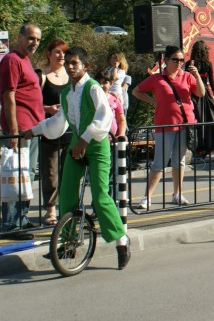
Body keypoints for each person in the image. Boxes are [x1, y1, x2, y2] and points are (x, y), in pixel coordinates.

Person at [24, 47, 130, 269]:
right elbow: (58, 123)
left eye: (75, 63)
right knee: (67, 193)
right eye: (68, 63)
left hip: (96, 145)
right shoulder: (66, 94)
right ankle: (68, 242)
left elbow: (104, 116)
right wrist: (35, 130)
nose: (70, 67)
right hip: (77, 144)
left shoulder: (93, 88)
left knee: (100, 197)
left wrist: (85, 139)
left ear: (85, 66)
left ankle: (121, 242)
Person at [131, 45, 206, 209]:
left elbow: (201, 93)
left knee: (179, 161)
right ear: (166, 60)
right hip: (165, 125)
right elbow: (136, 91)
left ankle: (177, 194)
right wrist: (152, 101)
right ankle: (147, 197)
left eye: (181, 60)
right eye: (175, 60)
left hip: (185, 125)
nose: (179, 63)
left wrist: (197, 75)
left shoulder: (187, 76)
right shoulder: (157, 79)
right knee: (159, 162)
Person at [0, 23, 44, 234]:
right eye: (31, 38)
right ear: (20, 37)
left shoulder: (25, 59)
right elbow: (9, 95)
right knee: (15, 173)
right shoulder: (12, 60)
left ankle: (21, 219)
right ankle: (11, 223)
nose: (35, 43)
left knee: (27, 174)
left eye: (38, 40)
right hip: (21, 128)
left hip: (32, 127)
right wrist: (14, 130)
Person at [38, 38, 71, 226]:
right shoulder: (41, 75)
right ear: (48, 54)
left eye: (64, 52)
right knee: (50, 173)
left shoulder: (71, 74)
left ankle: (67, 209)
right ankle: (50, 210)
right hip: (49, 132)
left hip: (70, 132)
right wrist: (48, 109)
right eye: (57, 52)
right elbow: (33, 102)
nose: (61, 55)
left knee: (68, 173)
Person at [186, 40, 214, 155]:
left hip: (192, 94)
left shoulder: (189, 64)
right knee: (210, 120)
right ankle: (211, 145)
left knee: (196, 119)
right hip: (205, 94)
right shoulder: (208, 64)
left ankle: (198, 147)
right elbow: (212, 82)